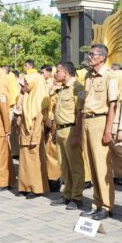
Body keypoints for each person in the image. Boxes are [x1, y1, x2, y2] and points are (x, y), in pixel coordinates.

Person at [78, 44, 114, 221]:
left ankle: (106, 206)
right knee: (91, 165)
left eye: (92, 54)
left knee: (101, 166)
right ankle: (96, 203)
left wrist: (108, 130)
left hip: (100, 120)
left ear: (102, 57)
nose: (89, 57)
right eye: (89, 54)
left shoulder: (110, 76)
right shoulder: (88, 76)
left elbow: (113, 105)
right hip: (87, 120)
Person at [49, 62, 85, 209]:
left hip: (71, 130)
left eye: (57, 71)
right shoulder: (62, 88)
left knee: (75, 166)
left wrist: (77, 135)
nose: (55, 74)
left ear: (65, 73)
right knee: (64, 166)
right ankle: (67, 194)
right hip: (60, 130)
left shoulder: (77, 88)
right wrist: (54, 130)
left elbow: (80, 113)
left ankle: (76, 197)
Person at [18, 72, 50, 197]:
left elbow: (38, 121)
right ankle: (25, 186)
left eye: (27, 83)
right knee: (25, 162)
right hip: (24, 133)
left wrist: (35, 138)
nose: (24, 85)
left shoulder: (39, 99)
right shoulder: (27, 96)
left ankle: (36, 188)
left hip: (33, 135)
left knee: (34, 162)